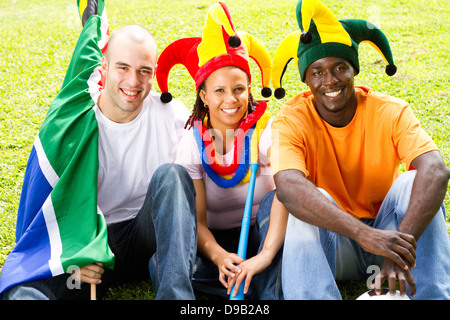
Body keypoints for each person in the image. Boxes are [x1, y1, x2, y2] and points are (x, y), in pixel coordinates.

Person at [1, 3, 196, 300]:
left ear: (154, 73)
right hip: (90, 252)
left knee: (172, 175)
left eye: (144, 71)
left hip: (147, 241)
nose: (133, 81)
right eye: (123, 67)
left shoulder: (171, 114)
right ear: (104, 67)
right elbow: (54, 203)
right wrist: (77, 253)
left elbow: (191, 189)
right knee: (25, 292)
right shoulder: (78, 120)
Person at [270, 0, 450, 299]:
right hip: (336, 243)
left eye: (340, 67)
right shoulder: (290, 120)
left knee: (415, 180)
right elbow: (287, 187)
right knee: (306, 200)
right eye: (317, 72)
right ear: (306, 79)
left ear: (353, 69)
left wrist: (395, 252)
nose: (330, 80)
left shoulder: (390, 111)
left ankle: (432, 295)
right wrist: (364, 235)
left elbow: (436, 169)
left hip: (391, 237)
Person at [156, 2, 287, 299]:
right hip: (214, 242)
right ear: (203, 94)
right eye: (219, 90)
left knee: (274, 211)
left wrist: (264, 255)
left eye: (239, 89)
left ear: (249, 89)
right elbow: (198, 223)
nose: (231, 99)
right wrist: (219, 257)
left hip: (265, 235)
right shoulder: (193, 142)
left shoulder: (266, 131)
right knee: (166, 267)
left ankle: (262, 282)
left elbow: (288, 189)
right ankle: (245, 279)